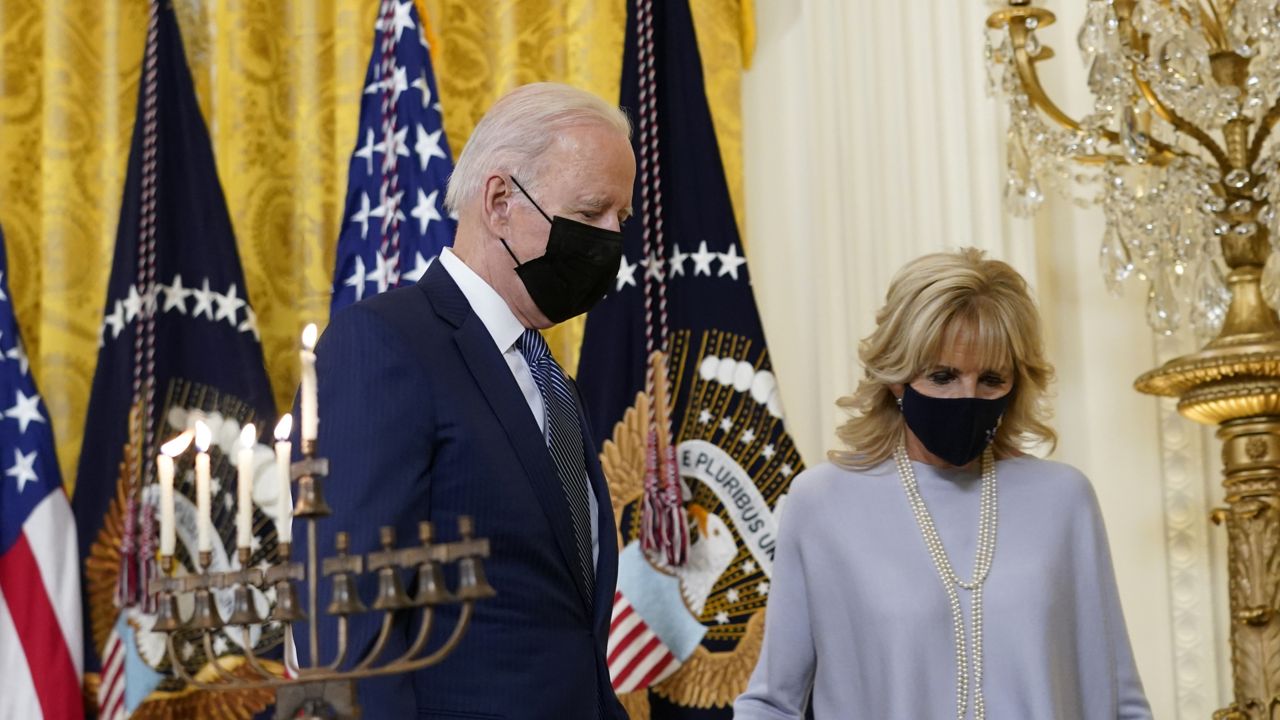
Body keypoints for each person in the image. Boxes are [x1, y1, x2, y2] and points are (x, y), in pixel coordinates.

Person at [296, 82, 635, 719]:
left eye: (621, 218)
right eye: (591, 214)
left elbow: (564, 632)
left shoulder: (550, 381)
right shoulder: (387, 344)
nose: (611, 240)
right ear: (501, 200)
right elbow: (345, 628)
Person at [733, 248, 1152, 719]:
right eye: (943, 376)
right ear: (896, 377)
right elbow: (771, 704)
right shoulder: (822, 503)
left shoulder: (1064, 500)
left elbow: (1120, 703)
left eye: (991, 379)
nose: (967, 397)